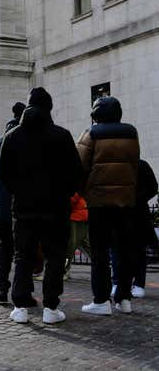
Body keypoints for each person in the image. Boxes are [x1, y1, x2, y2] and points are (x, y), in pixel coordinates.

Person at [0, 88, 82, 324]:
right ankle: (51, 307)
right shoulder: (62, 136)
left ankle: (21, 307)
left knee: (23, 255)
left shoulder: (13, 136)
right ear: (49, 108)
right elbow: (76, 173)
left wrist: (19, 191)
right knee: (55, 256)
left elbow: (4, 174)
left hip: (24, 207)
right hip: (56, 208)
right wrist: (64, 193)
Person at [78, 96, 140, 316]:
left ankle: (101, 300)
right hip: (125, 202)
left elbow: (80, 167)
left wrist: (85, 192)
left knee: (100, 253)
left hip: (99, 203)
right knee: (123, 251)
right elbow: (135, 165)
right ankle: (124, 299)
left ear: (96, 114)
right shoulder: (131, 133)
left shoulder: (91, 133)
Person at [0, 102, 25, 302]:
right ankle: (23, 290)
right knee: (24, 250)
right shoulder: (25, 140)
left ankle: (2, 289)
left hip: (3, 207)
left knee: (5, 249)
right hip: (22, 206)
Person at [111, 159, 157, 299]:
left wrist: (136, 198)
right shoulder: (117, 166)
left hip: (136, 213)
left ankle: (137, 283)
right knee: (117, 250)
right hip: (121, 212)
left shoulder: (141, 165)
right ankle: (118, 282)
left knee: (137, 250)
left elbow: (153, 188)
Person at [64, 193, 90, 280]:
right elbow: (71, 201)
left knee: (77, 244)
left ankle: (65, 270)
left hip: (81, 218)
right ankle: (64, 270)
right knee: (73, 244)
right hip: (76, 218)